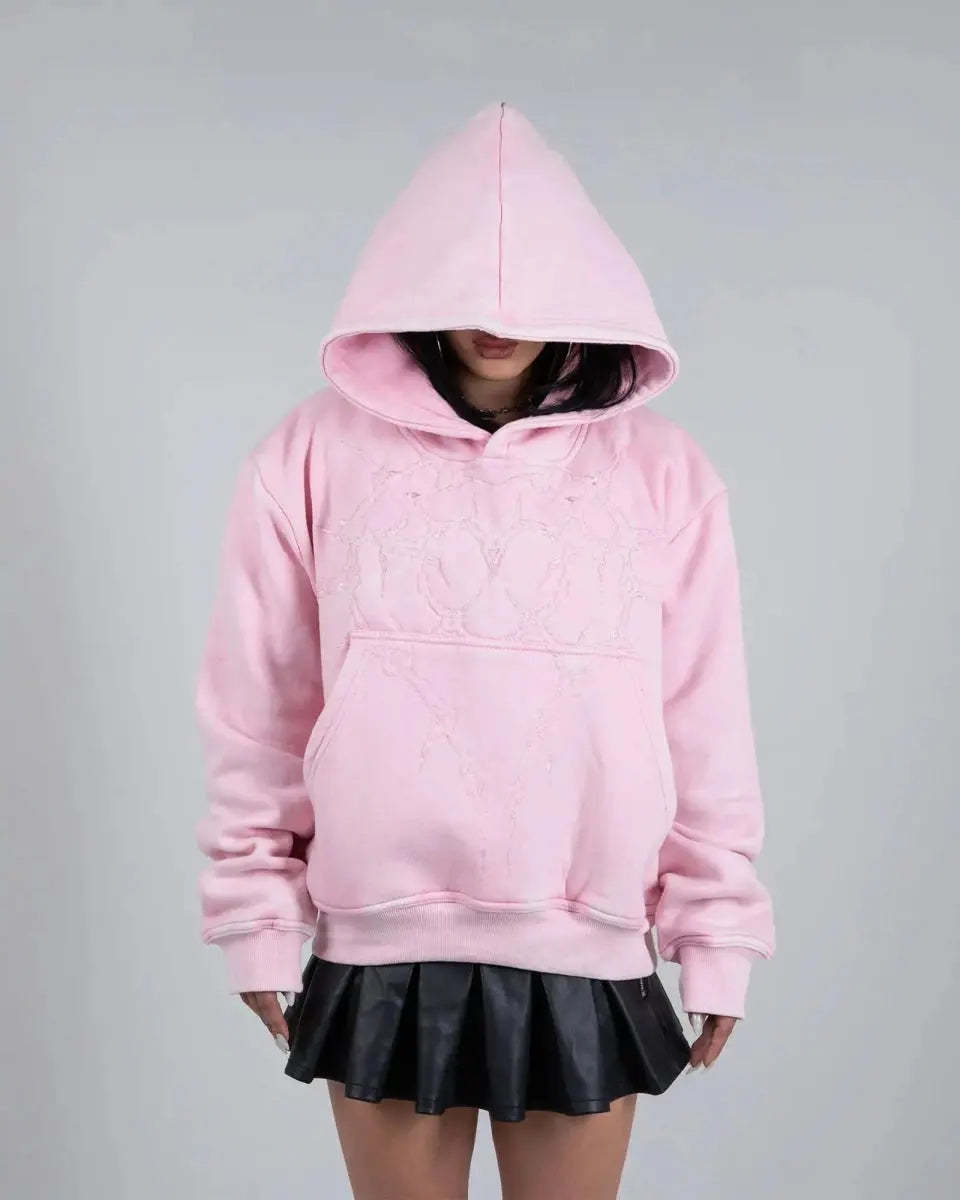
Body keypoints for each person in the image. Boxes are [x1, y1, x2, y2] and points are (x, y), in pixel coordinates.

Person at [193, 100, 776, 1199]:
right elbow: (259, 707)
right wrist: (256, 914)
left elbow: (703, 717)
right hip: (383, 941)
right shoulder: (311, 454)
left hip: (585, 937)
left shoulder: (664, 475)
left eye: (533, 287)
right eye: (468, 284)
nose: (499, 318)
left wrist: (717, 927)